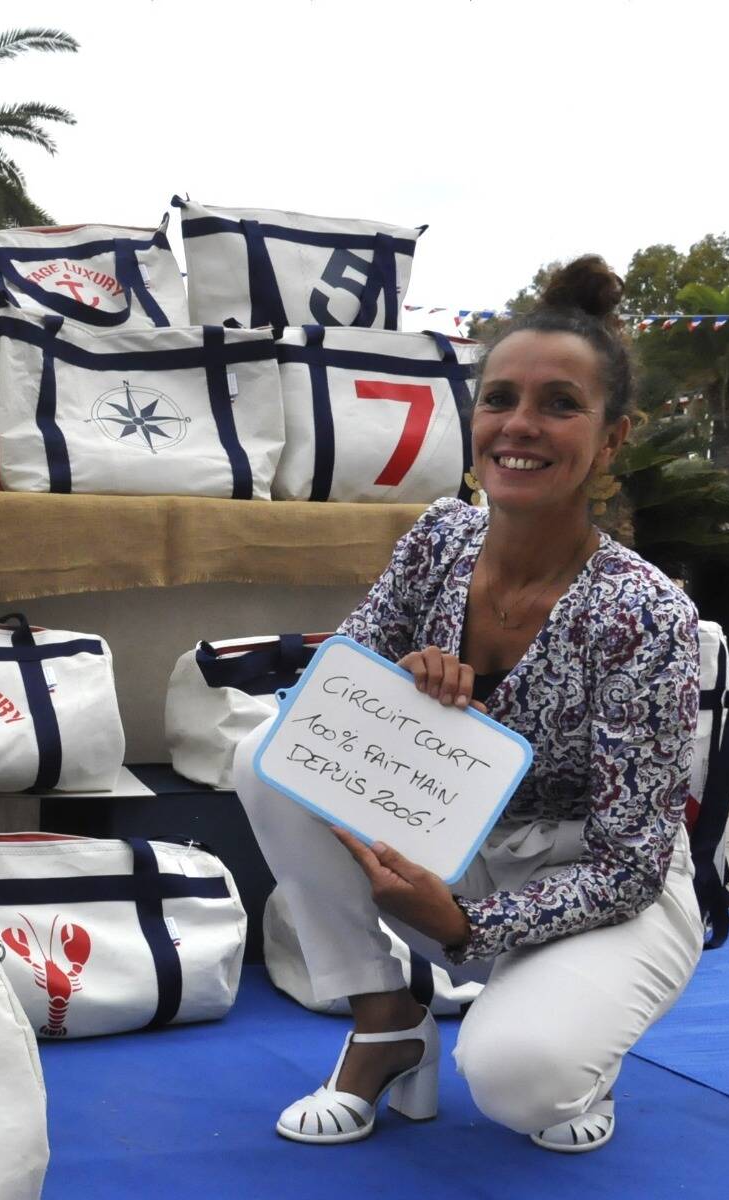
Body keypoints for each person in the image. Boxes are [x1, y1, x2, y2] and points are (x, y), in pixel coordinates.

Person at [234, 256, 703, 1153]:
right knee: (267, 755)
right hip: (449, 837)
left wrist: (466, 928)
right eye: (500, 399)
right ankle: (385, 1022)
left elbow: (630, 865)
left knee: (523, 1086)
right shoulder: (439, 538)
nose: (520, 426)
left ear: (611, 440)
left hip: (598, 883)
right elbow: (324, 706)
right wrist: (400, 687)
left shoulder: (645, 612)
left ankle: (576, 1051)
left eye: (560, 404)